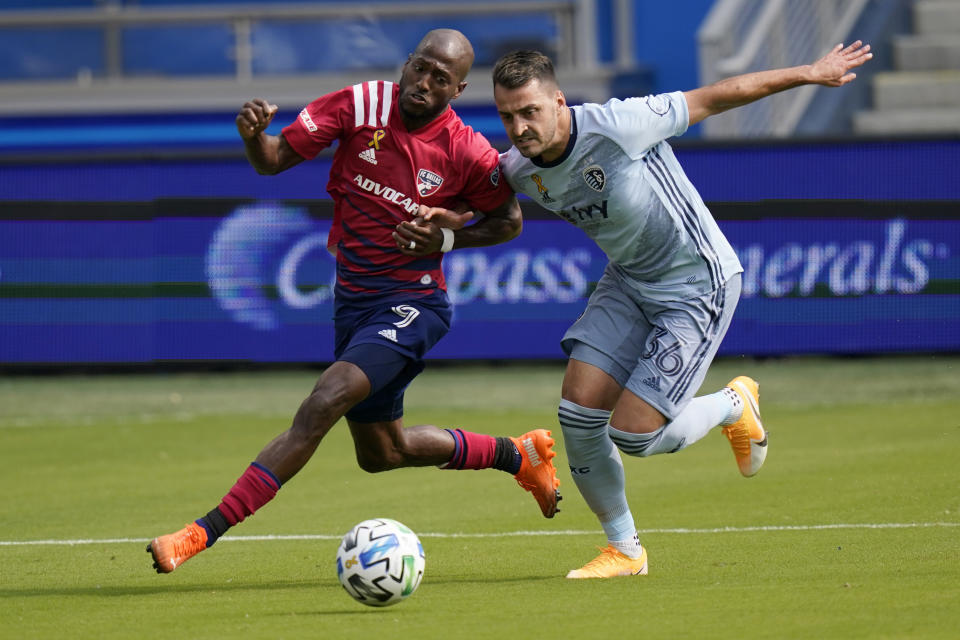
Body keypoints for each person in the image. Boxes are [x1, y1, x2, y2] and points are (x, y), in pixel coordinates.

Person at [147, 29, 561, 575]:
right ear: (407, 64)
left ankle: (198, 534)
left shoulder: (465, 151)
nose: (425, 82)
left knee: (324, 400)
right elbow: (270, 160)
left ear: (457, 90)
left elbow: (508, 222)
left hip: (414, 303)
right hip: (354, 303)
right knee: (382, 453)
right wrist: (254, 136)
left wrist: (447, 238)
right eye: (421, 68)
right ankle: (517, 455)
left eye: (442, 78)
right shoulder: (360, 104)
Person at [483, 42, 873, 578]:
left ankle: (734, 405)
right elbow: (488, 209)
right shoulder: (519, 169)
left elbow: (715, 96)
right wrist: (438, 229)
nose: (520, 126)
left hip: (697, 282)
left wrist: (809, 72)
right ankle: (625, 550)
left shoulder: (619, 124)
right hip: (629, 283)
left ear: (558, 101)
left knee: (636, 435)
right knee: (577, 414)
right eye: (507, 115)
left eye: (530, 111)